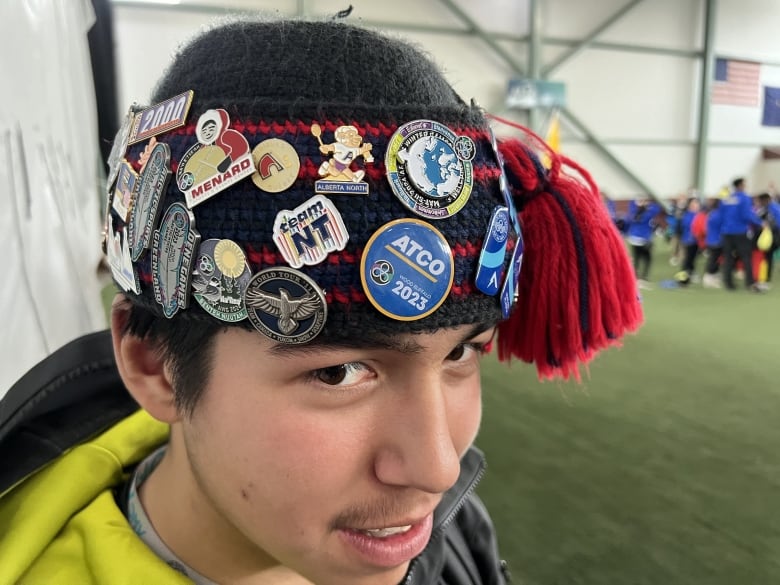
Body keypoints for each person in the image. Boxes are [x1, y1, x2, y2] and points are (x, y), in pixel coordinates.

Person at [0, 17, 642, 585]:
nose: (438, 467)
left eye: (462, 352)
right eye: (338, 372)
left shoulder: (445, 528)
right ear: (153, 364)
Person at [720, 177, 765, 292]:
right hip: (740, 232)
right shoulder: (744, 198)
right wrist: (760, 223)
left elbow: (721, 215)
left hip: (726, 232)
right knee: (746, 257)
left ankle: (728, 283)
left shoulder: (726, 198)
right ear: (740, 185)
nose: (746, 186)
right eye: (744, 184)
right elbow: (746, 215)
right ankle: (750, 284)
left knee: (728, 258)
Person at [624, 197, 663, 288]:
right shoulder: (648, 213)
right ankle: (643, 278)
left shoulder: (633, 211)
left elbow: (631, 204)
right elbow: (657, 208)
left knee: (637, 258)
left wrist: (639, 203)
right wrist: (648, 204)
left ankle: (635, 278)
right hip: (643, 239)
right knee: (647, 258)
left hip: (634, 238)